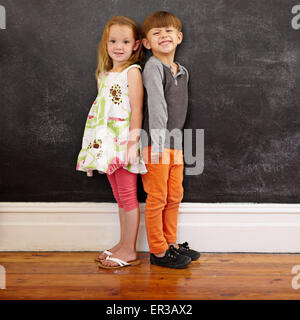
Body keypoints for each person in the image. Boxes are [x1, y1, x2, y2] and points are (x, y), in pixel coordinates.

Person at [76, 16, 147, 269]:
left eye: (126, 41)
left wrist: (132, 144)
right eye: (114, 41)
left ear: (136, 45)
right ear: (106, 44)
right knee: (119, 196)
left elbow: (136, 110)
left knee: (128, 196)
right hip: (106, 145)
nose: (119, 46)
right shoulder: (104, 74)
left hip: (124, 143)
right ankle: (122, 243)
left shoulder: (132, 72)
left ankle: (130, 250)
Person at [140, 11, 200, 268]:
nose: (163, 36)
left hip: (175, 144)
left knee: (175, 196)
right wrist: (156, 145)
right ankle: (158, 251)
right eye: (156, 33)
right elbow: (157, 107)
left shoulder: (182, 71)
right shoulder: (153, 67)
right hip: (156, 144)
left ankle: (171, 242)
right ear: (146, 43)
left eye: (168, 31)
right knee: (158, 197)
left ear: (179, 37)